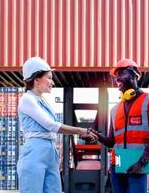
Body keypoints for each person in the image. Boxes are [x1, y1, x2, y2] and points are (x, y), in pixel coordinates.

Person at [17, 57, 98, 193]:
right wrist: (81, 131)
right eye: (49, 78)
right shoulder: (27, 99)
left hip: (50, 150)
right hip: (35, 152)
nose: (52, 82)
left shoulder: (42, 101)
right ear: (36, 79)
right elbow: (51, 125)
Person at [89, 59, 149, 193]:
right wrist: (97, 136)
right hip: (117, 165)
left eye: (121, 74)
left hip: (139, 165)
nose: (117, 78)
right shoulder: (115, 110)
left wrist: (141, 163)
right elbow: (111, 142)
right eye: (116, 76)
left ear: (134, 75)